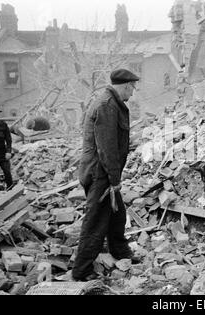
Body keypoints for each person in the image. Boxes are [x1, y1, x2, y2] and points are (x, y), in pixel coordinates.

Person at [72, 69, 141, 281]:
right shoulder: (107, 106)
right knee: (96, 221)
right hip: (99, 172)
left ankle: (120, 252)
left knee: (117, 213)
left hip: (101, 170)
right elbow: (106, 148)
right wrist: (114, 180)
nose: (133, 92)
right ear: (126, 85)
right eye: (133, 87)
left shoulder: (110, 102)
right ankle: (81, 271)